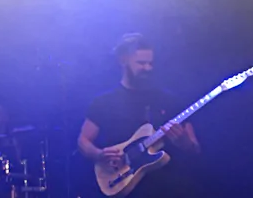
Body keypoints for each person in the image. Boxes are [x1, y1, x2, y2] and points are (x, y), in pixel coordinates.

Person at [77, 33, 201, 198]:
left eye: (150, 63)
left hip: (166, 189)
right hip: (122, 185)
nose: (147, 68)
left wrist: (185, 143)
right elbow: (83, 141)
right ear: (123, 61)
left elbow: (195, 147)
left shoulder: (169, 100)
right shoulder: (103, 102)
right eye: (141, 63)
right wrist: (99, 154)